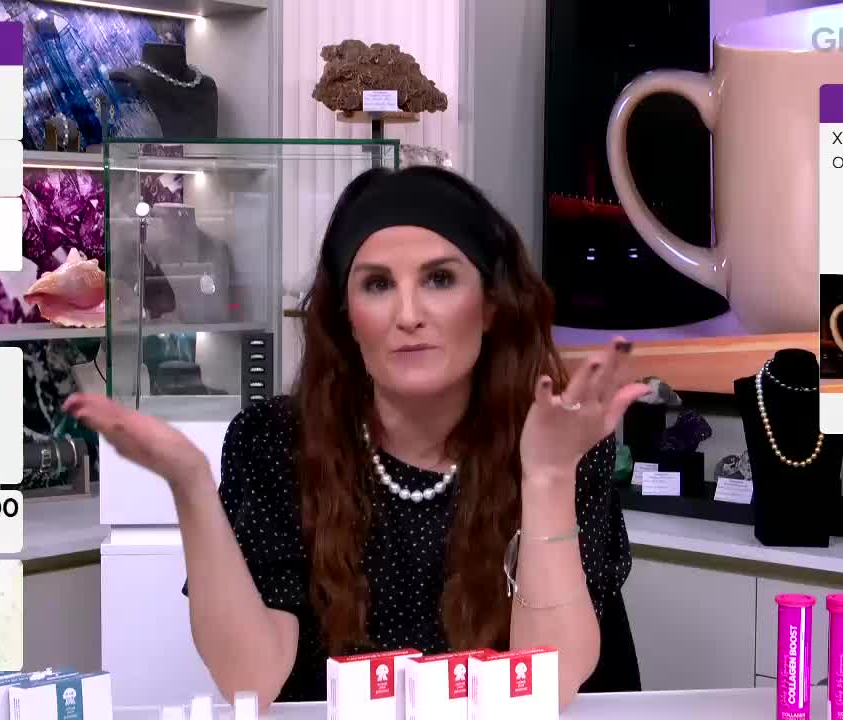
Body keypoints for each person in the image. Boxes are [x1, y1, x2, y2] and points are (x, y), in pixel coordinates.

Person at [65, 166, 649, 710]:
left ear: (491, 306)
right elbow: (251, 679)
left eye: (440, 279)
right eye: (377, 285)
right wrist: (189, 482)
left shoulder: (558, 444)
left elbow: (550, 684)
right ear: (346, 314)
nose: (408, 314)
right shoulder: (275, 444)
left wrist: (547, 476)